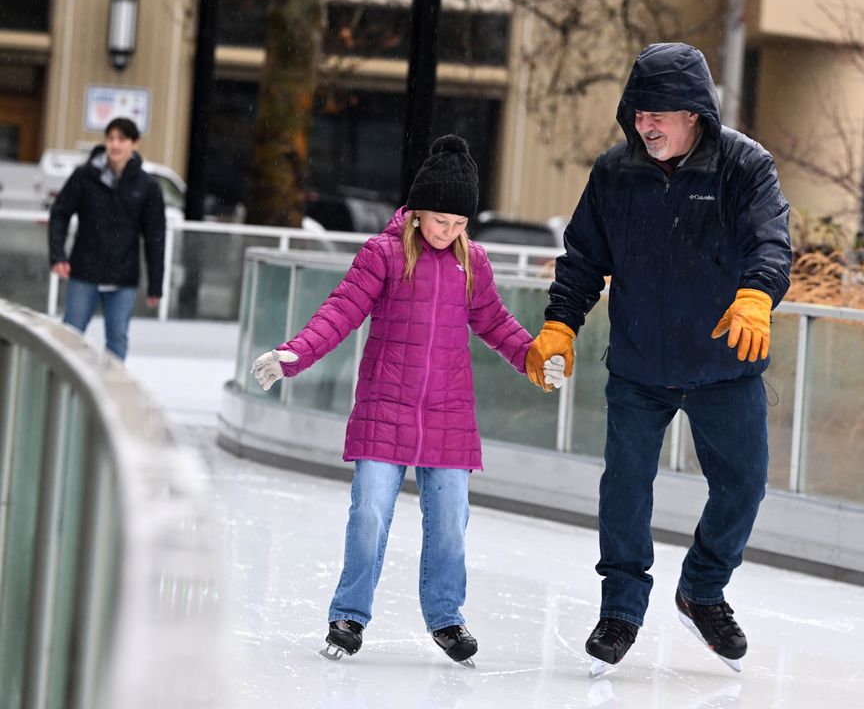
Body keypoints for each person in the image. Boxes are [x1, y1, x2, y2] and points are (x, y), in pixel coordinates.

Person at [524, 43, 792, 675]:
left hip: (722, 362)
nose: (646, 125)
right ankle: (620, 606)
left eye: (660, 113)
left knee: (744, 485)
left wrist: (757, 295)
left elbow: (771, 240)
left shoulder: (743, 167)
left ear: (695, 113)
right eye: (638, 112)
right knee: (624, 488)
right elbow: (584, 258)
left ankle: (702, 588)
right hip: (640, 366)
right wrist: (560, 324)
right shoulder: (616, 174)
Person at [250, 135, 538, 668]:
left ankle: (446, 618)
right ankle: (349, 614)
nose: (448, 232)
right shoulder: (383, 254)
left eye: (458, 224)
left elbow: (496, 323)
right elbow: (339, 313)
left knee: (451, 520)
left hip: (449, 415)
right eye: (439, 222)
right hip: (386, 406)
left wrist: (535, 357)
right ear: (418, 211)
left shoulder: (472, 262)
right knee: (369, 513)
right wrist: (293, 355)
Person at [48, 117, 166, 360]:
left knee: (117, 339)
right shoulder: (84, 176)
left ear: (134, 144)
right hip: (84, 272)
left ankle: (114, 394)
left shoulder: (147, 186)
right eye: (111, 138)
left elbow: (155, 237)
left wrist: (156, 283)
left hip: (122, 278)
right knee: (70, 336)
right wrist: (57, 255)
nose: (115, 145)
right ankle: (63, 391)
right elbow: (59, 214)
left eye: (121, 139)